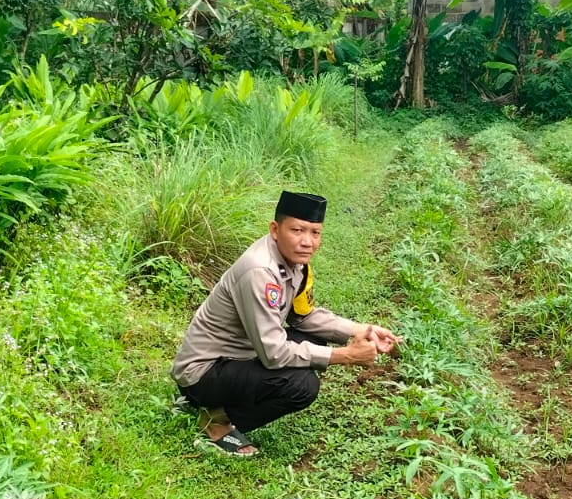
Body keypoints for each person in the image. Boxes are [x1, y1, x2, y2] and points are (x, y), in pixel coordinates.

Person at [171, 189, 400, 457]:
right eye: (298, 230)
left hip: (239, 356)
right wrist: (346, 355)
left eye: (315, 233)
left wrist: (362, 330)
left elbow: (303, 316)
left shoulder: (295, 262)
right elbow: (273, 353)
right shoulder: (260, 271)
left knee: (314, 342)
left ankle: (213, 408)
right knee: (303, 386)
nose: (307, 242)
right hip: (203, 372)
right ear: (275, 229)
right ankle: (215, 422)